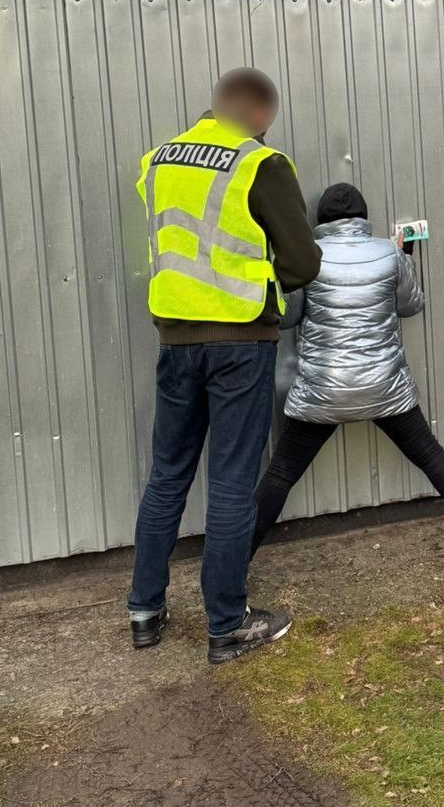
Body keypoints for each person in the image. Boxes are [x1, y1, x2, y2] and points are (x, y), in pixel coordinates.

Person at [127, 68, 322, 663]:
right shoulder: (260, 163)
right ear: (261, 113)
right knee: (234, 482)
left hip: (175, 338)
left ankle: (144, 609)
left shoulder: (156, 161)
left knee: (167, 476)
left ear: (214, 105)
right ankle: (227, 624)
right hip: (240, 340)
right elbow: (301, 262)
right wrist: (267, 283)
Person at [251, 183, 444, 557]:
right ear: (363, 217)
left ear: (321, 220)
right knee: (431, 457)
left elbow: (286, 319)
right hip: (384, 386)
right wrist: (405, 256)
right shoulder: (389, 252)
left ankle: (234, 567)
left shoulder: (308, 258)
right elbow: (411, 305)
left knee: (281, 474)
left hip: (324, 391)